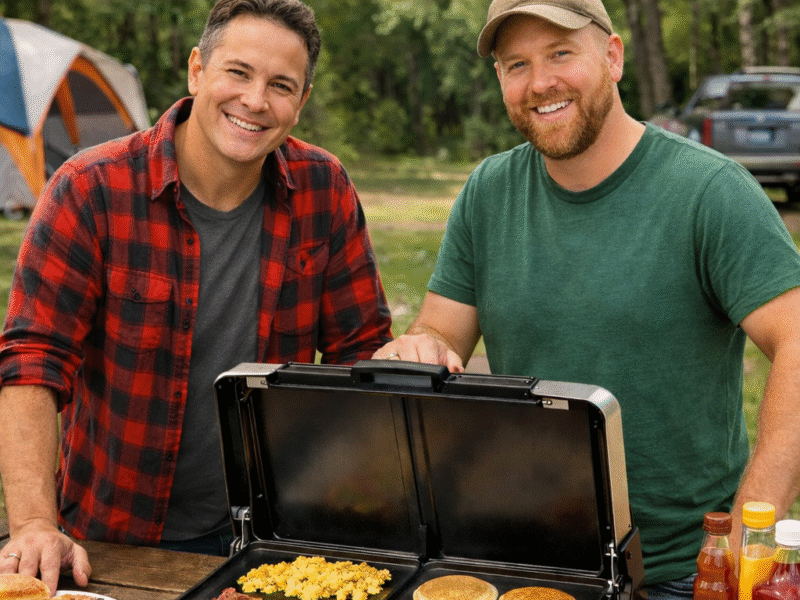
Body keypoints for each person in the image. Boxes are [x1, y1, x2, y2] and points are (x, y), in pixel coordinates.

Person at [373, 1, 800, 598]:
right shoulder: (489, 192)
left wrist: (747, 532)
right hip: (526, 559)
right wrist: (421, 345)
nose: (540, 82)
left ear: (613, 56)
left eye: (561, 53)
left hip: (677, 571)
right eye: (516, 63)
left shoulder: (709, 191)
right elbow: (441, 335)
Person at [0, 0, 391, 594]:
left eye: (280, 85)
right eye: (238, 72)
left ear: (301, 102)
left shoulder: (324, 188)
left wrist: (410, 360)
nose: (256, 100)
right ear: (197, 71)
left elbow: (361, 356)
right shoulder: (90, 188)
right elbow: (32, 362)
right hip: (113, 541)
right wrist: (32, 524)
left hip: (272, 542)